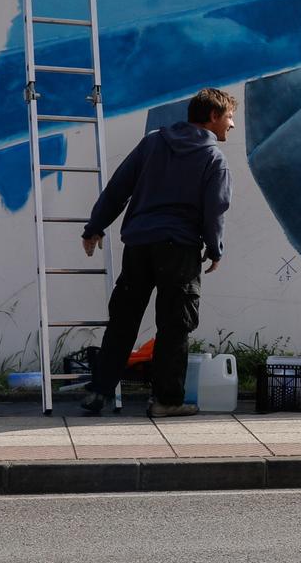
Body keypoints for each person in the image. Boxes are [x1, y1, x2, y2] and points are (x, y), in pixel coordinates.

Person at [78, 87, 235, 417]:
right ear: (213, 117)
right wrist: (215, 248)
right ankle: (166, 401)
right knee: (175, 325)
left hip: (138, 244)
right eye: (230, 117)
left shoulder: (153, 142)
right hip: (179, 248)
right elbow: (214, 210)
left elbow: (118, 188)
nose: (232, 125)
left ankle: (99, 393)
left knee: (123, 320)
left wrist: (95, 227)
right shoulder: (214, 160)